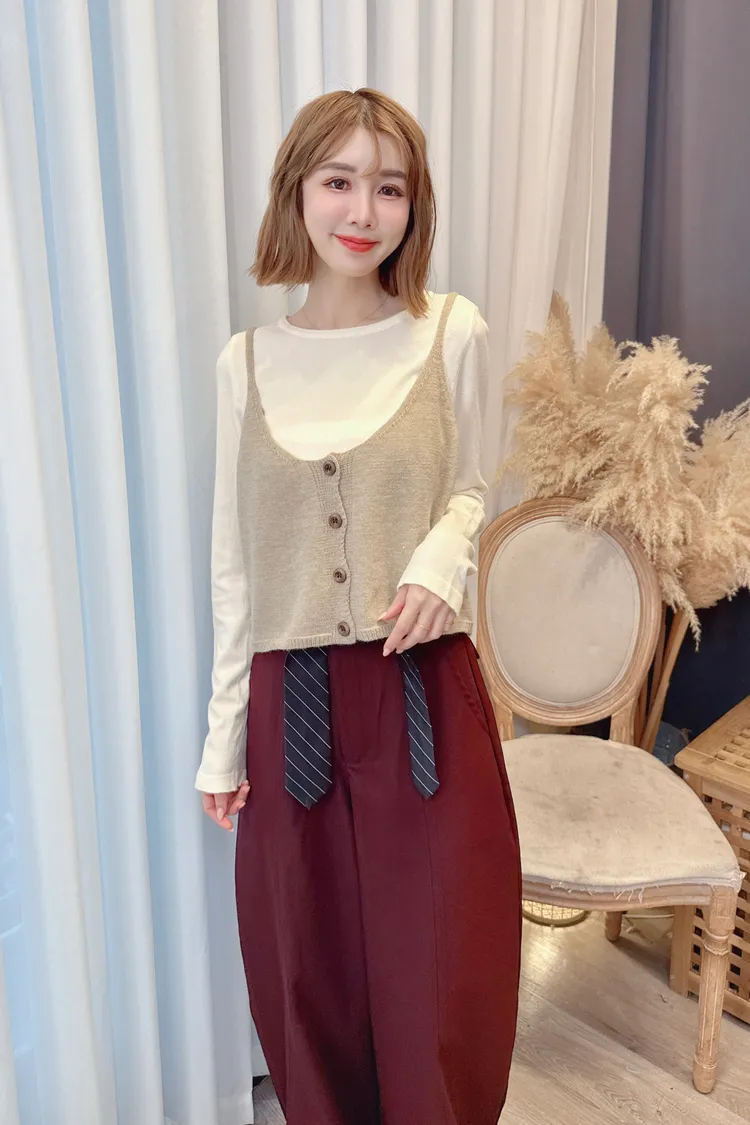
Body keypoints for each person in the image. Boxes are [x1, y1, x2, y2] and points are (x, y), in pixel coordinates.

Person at [194, 87, 522, 1125]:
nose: (363, 211)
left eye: (390, 188)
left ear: (414, 207)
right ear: (297, 191)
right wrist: (222, 742)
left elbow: (473, 485)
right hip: (288, 701)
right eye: (339, 180)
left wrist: (441, 557)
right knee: (308, 966)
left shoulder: (450, 332)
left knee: (441, 965)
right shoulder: (245, 363)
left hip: (420, 692)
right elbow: (234, 563)